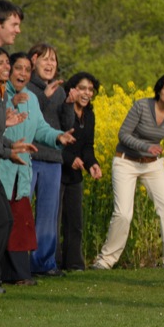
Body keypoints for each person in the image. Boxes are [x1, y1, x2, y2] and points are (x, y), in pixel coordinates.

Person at [92, 74, 164, 270]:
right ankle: (105, 260)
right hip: (126, 162)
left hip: (153, 165)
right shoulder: (142, 106)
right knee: (123, 213)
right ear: (159, 89)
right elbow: (123, 134)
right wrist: (145, 146)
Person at [0, 52, 75, 285]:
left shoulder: (30, 98)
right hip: (1, 166)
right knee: (1, 222)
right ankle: (0, 274)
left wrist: (59, 136)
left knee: (20, 223)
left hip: (22, 171)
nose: (22, 73)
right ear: (9, 71)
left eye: (26, 70)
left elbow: (41, 128)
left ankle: (19, 275)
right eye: (18, 68)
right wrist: (9, 104)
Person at [0, 46, 37, 294]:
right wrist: (9, 153)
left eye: (7, 63)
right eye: (1, 63)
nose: (6, 68)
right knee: (0, 220)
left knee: (5, 219)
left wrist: (13, 144)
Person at [26, 43, 75, 277]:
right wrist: (44, 98)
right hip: (29, 156)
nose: (50, 65)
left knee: (48, 213)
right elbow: (32, 120)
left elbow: (66, 127)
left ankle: (44, 263)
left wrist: (69, 105)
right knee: (21, 210)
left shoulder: (59, 90)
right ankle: (16, 261)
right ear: (33, 60)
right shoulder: (25, 87)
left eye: (53, 61)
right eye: (45, 59)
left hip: (53, 159)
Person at [57, 72, 102, 271]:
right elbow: (54, 139)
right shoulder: (62, 110)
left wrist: (92, 163)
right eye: (82, 88)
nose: (86, 93)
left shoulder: (89, 115)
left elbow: (87, 146)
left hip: (75, 175)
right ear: (72, 89)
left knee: (75, 221)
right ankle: (52, 262)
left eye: (90, 90)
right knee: (55, 219)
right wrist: (69, 159)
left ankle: (74, 263)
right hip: (57, 170)